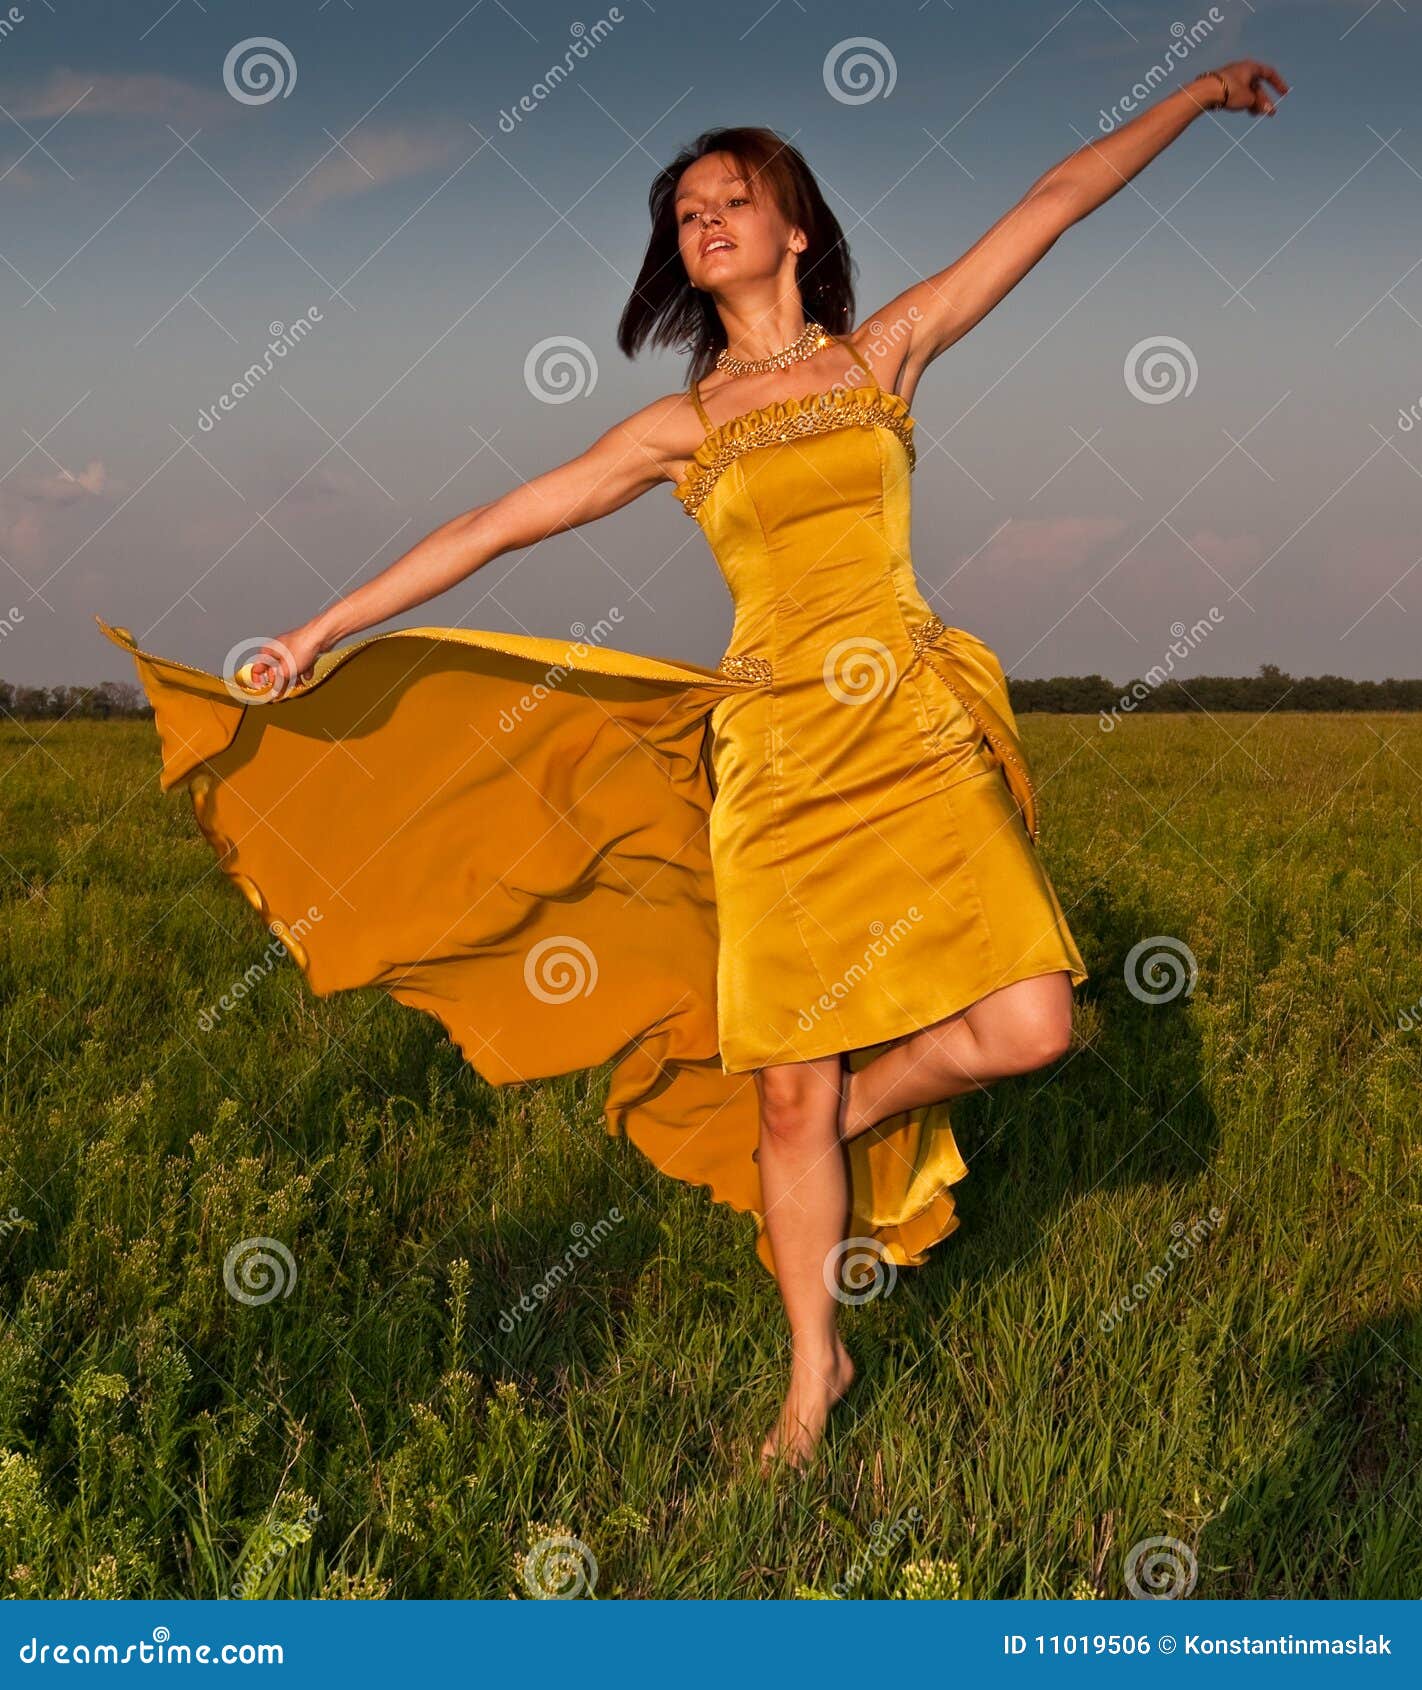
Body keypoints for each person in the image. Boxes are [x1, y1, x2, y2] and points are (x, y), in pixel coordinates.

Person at [99, 58, 1286, 1474]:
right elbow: (492, 522)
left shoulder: (885, 351)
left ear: (796, 229)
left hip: (905, 724)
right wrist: (319, 626)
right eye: (682, 211)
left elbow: (1056, 198)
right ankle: (811, 1371)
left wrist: (1194, 90)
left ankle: (839, 1114)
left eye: (733, 198)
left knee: (1028, 1026)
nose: (703, 219)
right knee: (786, 1085)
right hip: (776, 752)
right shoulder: (681, 428)